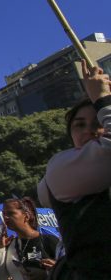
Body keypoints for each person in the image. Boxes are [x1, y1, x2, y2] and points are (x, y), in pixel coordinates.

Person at [37, 60, 111, 279]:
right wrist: (102, 99)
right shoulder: (59, 169)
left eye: (99, 122)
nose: (90, 130)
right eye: (80, 124)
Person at [0, 197, 57, 280]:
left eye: (11, 213)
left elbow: (71, 270)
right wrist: (0, 247)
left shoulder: (49, 241)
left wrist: (52, 271)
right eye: (4, 214)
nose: (6, 217)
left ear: (26, 216)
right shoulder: (10, 245)